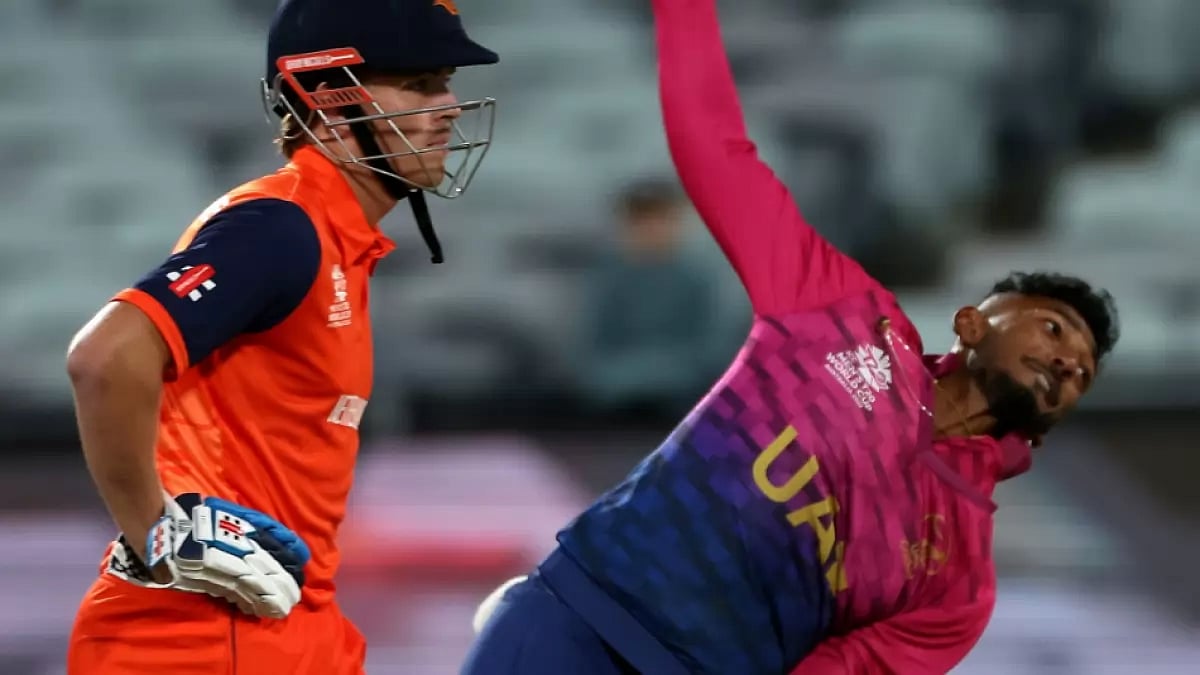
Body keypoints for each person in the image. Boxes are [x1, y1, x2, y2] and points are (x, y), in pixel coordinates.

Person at [461, 1, 1119, 674]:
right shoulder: (845, 312)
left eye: (1084, 373)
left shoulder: (959, 587)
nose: (1069, 361)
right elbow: (717, 150)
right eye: (1054, 327)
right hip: (574, 616)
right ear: (972, 322)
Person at [64, 0, 498, 673]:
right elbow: (105, 357)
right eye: (420, 85)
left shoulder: (327, 235)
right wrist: (160, 530)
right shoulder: (280, 226)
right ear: (328, 102)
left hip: (279, 620)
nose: (449, 106)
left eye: (445, 82)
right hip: (205, 636)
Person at [575, 177, 729, 421]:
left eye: (660, 219)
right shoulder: (608, 280)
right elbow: (590, 351)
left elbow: (712, 352)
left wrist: (656, 373)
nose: (651, 229)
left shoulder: (700, 279)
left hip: (687, 405)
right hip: (613, 407)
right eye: (641, 220)